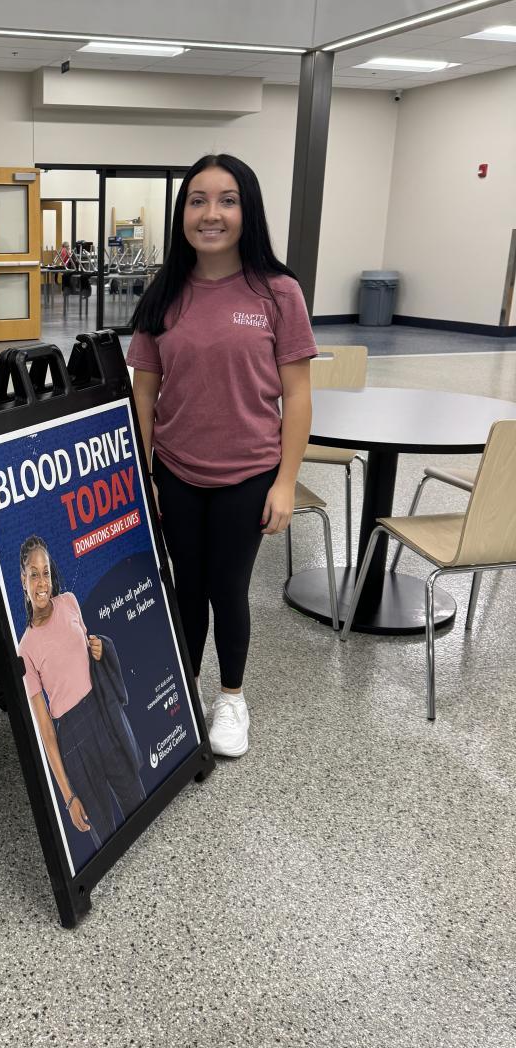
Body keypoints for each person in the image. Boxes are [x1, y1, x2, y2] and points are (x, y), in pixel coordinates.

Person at [127, 154, 316, 760]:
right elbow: (144, 395)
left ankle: (231, 697)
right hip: (176, 472)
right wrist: (145, 473)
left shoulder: (277, 293)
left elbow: (298, 396)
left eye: (227, 200)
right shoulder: (163, 294)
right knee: (185, 588)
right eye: (198, 200)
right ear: (182, 213)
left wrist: (285, 482)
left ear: (247, 211)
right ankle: (182, 694)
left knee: (228, 588)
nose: (211, 214)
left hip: (249, 474)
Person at [17, 535, 145, 850]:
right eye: (34, 574)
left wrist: (99, 648)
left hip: (103, 716)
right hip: (73, 739)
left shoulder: (70, 602)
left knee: (138, 802)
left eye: (45, 572)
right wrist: (68, 797)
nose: (42, 582)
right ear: (23, 580)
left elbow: (88, 655)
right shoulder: (25, 650)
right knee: (103, 833)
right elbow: (46, 730)